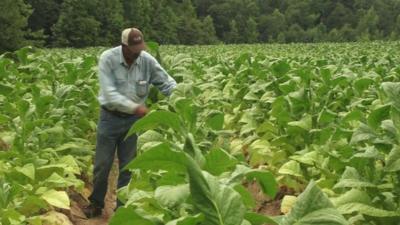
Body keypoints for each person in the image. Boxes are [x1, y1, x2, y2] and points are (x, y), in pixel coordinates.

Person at [83, 28, 177, 218]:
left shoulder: (146, 60)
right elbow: (109, 93)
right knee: (103, 165)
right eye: (133, 48)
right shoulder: (108, 59)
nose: (137, 52)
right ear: (124, 46)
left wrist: (181, 96)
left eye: (139, 47)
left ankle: (122, 209)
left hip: (133, 122)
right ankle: (96, 203)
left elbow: (166, 82)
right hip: (110, 118)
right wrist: (136, 108)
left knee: (129, 166)